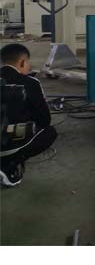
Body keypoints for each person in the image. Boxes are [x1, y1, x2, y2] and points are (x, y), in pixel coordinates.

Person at [0, 43, 57, 187]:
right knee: (49, 132)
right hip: (10, 143)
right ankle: (9, 164)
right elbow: (44, 120)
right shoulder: (31, 83)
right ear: (22, 62)